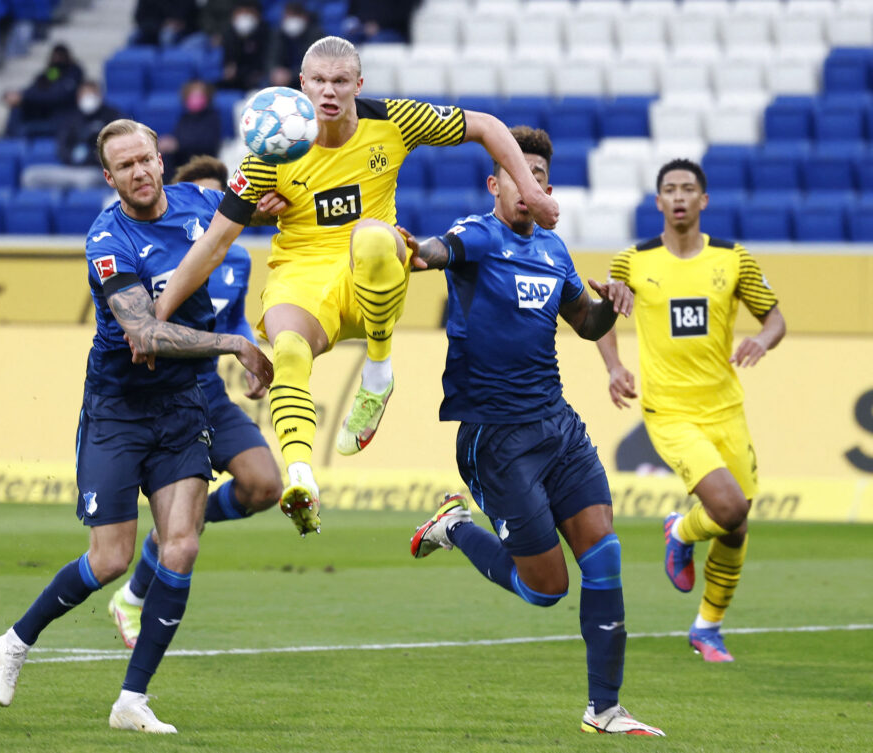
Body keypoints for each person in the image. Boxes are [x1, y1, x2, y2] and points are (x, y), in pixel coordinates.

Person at [145, 35, 559, 539]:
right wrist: (157, 315)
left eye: (340, 81)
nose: (329, 92)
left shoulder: (393, 120)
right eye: (318, 81)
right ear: (301, 85)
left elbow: (488, 127)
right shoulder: (269, 153)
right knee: (288, 349)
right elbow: (212, 244)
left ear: (358, 85)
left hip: (373, 269)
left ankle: (378, 372)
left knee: (371, 236)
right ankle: (300, 476)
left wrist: (532, 192)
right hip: (302, 270)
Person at [0, 119, 273, 734]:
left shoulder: (201, 204)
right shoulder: (107, 240)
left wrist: (272, 191)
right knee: (110, 558)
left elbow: (252, 206)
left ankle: (131, 700)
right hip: (117, 410)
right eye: (125, 166)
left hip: (181, 407)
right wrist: (233, 346)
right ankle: (15, 640)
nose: (139, 171)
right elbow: (144, 333)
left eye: (146, 158)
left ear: (161, 160)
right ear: (110, 178)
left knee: (183, 545)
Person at [406, 126, 663, 736]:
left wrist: (612, 303)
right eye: (517, 174)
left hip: (558, 427)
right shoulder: (476, 236)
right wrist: (407, 249)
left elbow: (586, 321)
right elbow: (434, 253)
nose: (530, 186)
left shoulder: (554, 250)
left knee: (605, 554)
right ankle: (457, 527)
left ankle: (605, 709)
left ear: (546, 187)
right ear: (495, 183)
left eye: (539, 177)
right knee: (545, 590)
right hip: (495, 437)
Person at [596, 158, 786, 663]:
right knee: (728, 509)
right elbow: (603, 317)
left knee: (737, 525)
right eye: (669, 190)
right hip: (671, 412)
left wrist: (762, 340)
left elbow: (775, 318)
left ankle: (708, 627)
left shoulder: (734, 259)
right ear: (658, 203)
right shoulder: (632, 262)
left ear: (704, 201)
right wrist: (614, 366)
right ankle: (680, 530)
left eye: (688, 189)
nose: (678, 197)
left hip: (726, 409)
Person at [107, 154, 283, 649]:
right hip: (155, 397)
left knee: (265, 486)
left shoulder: (239, 260)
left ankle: (182, 521)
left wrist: (250, 354)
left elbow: (232, 326)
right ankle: (136, 592)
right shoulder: (146, 253)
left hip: (207, 387)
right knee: (175, 533)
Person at [21, 80, 126, 190]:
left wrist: (91, 157)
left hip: (96, 170)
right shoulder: (71, 118)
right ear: (78, 97)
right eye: (84, 94)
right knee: (30, 176)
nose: (88, 98)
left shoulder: (112, 116)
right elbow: (62, 148)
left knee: (86, 180)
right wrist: (74, 157)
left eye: (92, 94)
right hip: (70, 168)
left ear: (100, 95)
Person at [2, 43, 84, 139]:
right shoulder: (53, 72)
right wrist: (19, 95)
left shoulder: (74, 73)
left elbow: (57, 96)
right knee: (17, 106)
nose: (57, 60)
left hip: (63, 116)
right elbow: (39, 85)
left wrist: (25, 96)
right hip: (44, 112)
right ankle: (9, 139)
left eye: (60, 56)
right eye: (55, 57)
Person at [158, 79, 222, 182]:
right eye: (192, 95)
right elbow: (177, 137)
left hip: (202, 162)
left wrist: (178, 145)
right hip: (181, 161)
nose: (195, 98)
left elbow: (209, 144)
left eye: (199, 95)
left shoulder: (212, 117)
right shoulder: (185, 118)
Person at [265, 2, 323, 89]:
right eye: (289, 15)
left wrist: (291, 76)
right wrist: (275, 71)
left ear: (305, 17)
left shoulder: (316, 36)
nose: (292, 19)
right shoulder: (278, 35)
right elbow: (271, 58)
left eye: (296, 15)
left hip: (308, 85)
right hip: (281, 84)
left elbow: (316, 66)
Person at [218, 1, 268, 91]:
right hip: (234, 81)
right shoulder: (228, 34)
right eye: (241, 12)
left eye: (248, 12)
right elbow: (226, 65)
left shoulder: (267, 33)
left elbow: (269, 62)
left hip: (259, 79)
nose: (244, 17)